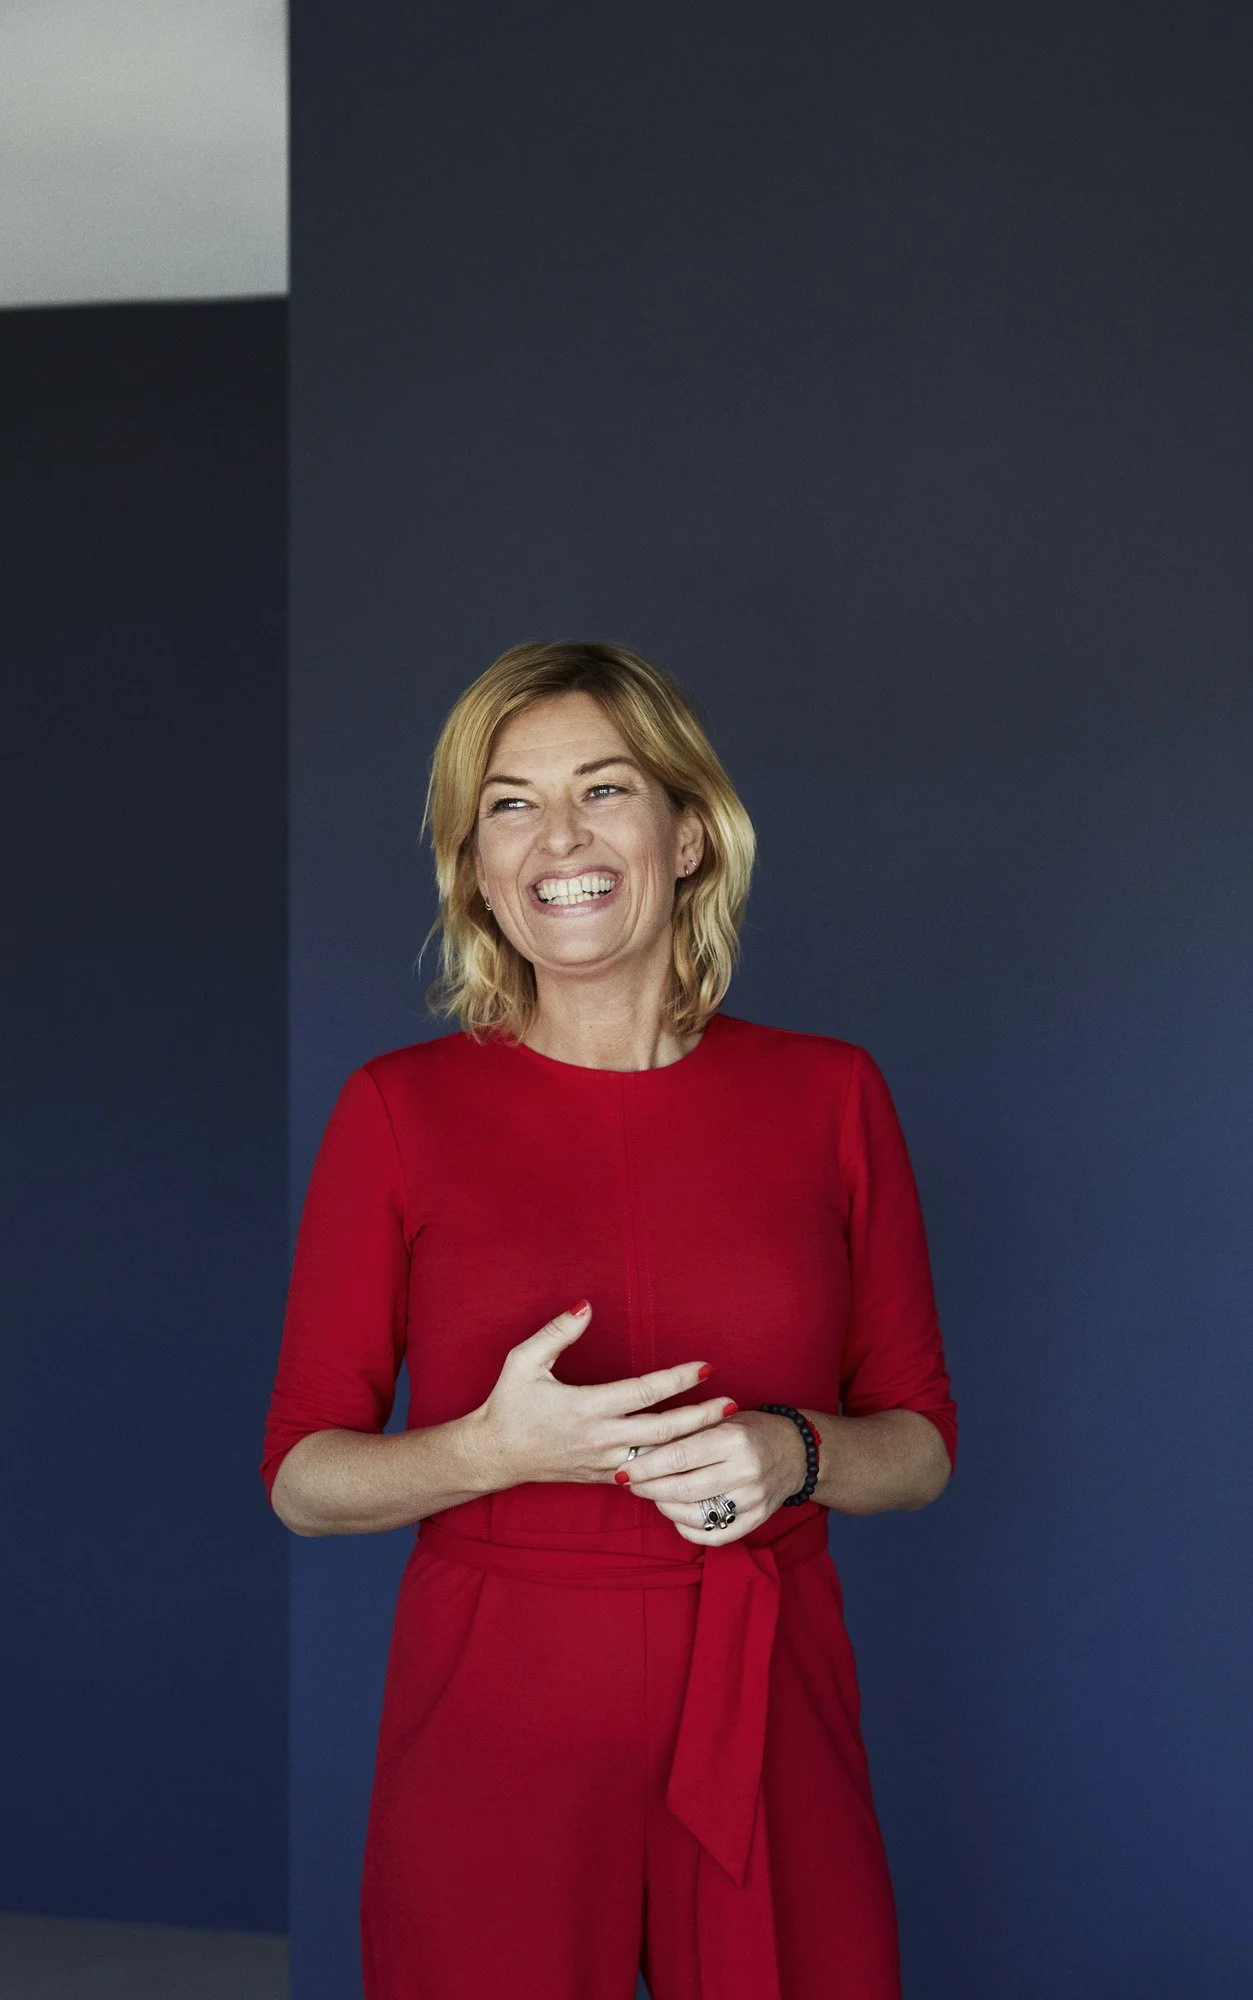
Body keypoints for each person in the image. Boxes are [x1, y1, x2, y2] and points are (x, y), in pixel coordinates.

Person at [261, 639, 957, 2000]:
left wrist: (794, 1452)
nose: (558, 838)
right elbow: (301, 1478)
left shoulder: (832, 1096)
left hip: (769, 1707)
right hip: (494, 1721)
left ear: (688, 832)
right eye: (509, 803)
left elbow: (921, 1444)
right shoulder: (397, 1111)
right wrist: (492, 1451)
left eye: (604, 788)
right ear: (472, 864)